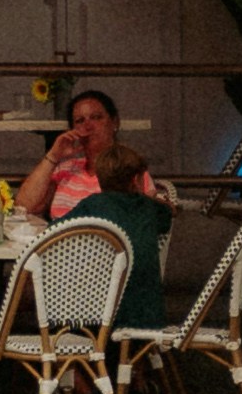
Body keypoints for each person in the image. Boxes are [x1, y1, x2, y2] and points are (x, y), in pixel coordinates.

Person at [15, 81, 179, 329]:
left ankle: (74, 357)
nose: (87, 126)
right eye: (79, 121)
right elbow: (24, 207)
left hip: (114, 278)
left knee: (22, 283)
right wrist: (54, 156)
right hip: (65, 271)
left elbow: (147, 219)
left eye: (96, 117)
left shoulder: (130, 174)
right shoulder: (67, 168)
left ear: (114, 122)